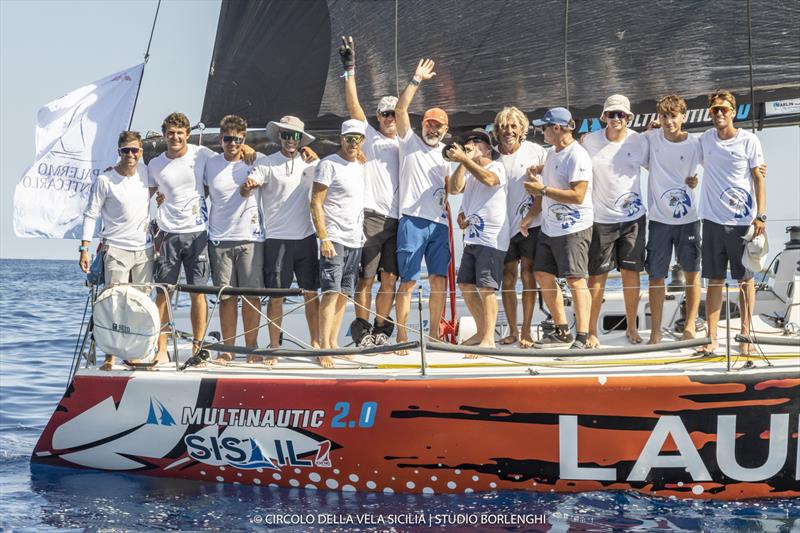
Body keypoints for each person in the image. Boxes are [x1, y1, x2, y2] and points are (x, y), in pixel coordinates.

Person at [241, 116, 320, 364]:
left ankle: (316, 345)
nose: (289, 140)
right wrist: (248, 185)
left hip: (306, 237)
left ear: (301, 139)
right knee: (276, 296)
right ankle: (274, 346)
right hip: (276, 240)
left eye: (295, 136)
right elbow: (248, 185)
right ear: (279, 137)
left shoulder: (312, 163)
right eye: (285, 135)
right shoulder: (266, 164)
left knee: (311, 294)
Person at [339, 35, 400, 347]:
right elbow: (354, 107)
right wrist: (349, 69)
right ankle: (361, 327)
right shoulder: (371, 138)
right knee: (366, 277)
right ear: (379, 118)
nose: (390, 118)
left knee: (389, 278)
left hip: (399, 219)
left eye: (395, 114)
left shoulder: (409, 142)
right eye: (385, 114)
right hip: (372, 216)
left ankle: (381, 329)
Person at [697, 90, 766, 356]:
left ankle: (746, 334)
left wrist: (761, 215)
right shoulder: (704, 140)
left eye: (724, 109)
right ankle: (711, 337)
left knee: (745, 280)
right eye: (715, 109)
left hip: (743, 223)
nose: (720, 113)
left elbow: (760, 179)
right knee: (714, 280)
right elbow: (678, 143)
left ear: (734, 111)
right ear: (710, 113)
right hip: (712, 221)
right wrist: (656, 129)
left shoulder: (749, 141)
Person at [79, 130, 155, 370]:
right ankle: (110, 356)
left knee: (139, 303)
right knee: (114, 303)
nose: (131, 155)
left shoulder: (146, 173)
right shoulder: (105, 180)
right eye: (126, 150)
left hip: (144, 250)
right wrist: (84, 248)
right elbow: (91, 214)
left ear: (141, 152)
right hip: (116, 249)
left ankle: (133, 353)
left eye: (135, 150)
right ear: (119, 152)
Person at [521, 107, 593, 349]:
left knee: (575, 280)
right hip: (550, 228)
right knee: (541, 274)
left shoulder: (577, 155)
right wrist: (530, 216)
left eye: (544, 127)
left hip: (573, 228)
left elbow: (578, 195)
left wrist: (542, 190)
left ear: (557, 128)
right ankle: (563, 331)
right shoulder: (552, 153)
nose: (541, 131)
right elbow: (551, 181)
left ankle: (582, 336)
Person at [394, 58, 451, 354]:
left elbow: (457, 187)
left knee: (439, 279)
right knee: (409, 280)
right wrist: (416, 79)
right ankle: (402, 336)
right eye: (429, 124)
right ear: (423, 124)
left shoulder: (448, 154)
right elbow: (400, 110)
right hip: (412, 220)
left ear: (445, 129)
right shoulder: (409, 142)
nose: (433, 129)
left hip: (439, 223)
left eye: (439, 126)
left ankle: (435, 335)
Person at [582, 95, 648, 347]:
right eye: (611, 114)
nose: (616, 119)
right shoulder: (589, 141)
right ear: (603, 117)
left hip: (633, 219)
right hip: (601, 219)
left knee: (631, 275)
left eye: (621, 114)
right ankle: (590, 332)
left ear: (629, 117)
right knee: (596, 277)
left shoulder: (640, 141)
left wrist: (690, 180)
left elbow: (664, 165)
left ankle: (632, 328)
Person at [641, 94, 703, 344]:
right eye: (664, 116)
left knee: (692, 273)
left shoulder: (696, 144)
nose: (668, 121)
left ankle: (689, 326)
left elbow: (720, 164)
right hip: (658, 220)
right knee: (656, 276)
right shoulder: (650, 138)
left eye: (673, 116)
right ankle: (655, 332)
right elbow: (624, 145)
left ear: (683, 117)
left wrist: (695, 180)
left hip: (688, 219)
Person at [204, 115, 264, 364]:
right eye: (227, 139)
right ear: (220, 139)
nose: (232, 143)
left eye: (237, 139)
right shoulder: (209, 162)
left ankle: (251, 350)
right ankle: (228, 350)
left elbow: (286, 162)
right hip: (219, 238)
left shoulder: (256, 159)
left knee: (251, 296)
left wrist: (309, 153)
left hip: (250, 237)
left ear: (244, 139)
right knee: (226, 297)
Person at [446, 129, 508, 356]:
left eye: (475, 141)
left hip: (491, 238)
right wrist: (462, 213)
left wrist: (464, 158)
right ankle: (481, 331)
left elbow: (490, 181)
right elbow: (453, 189)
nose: (470, 145)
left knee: (486, 287)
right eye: (467, 142)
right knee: (465, 285)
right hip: (472, 237)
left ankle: (489, 338)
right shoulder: (470, 172)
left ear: (487, 147)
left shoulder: (496, 167)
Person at [311, 120, 367, 368]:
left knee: (345, 293)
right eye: (349, 138)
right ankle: (323, 348)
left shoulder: (360, 165)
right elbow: (315, 202)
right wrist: (323, 237)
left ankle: (334, 343)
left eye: (358, 139)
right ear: (341, 138)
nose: (353, 143)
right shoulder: (328, 164)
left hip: (355, 238)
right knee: (331, 292)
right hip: (334, 238)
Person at [493, 106, 548, 348]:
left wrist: (531, 214)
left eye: (513, 126)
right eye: (504, 126)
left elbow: (549, 181)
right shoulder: (492, 155)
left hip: (531, 223)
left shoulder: (536, 151)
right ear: (497, 130)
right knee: (507, 278)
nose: (508, 131)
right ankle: (513, 331)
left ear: (522, 129)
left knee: (528, 275)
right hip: (502, 226)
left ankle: (527, 330)